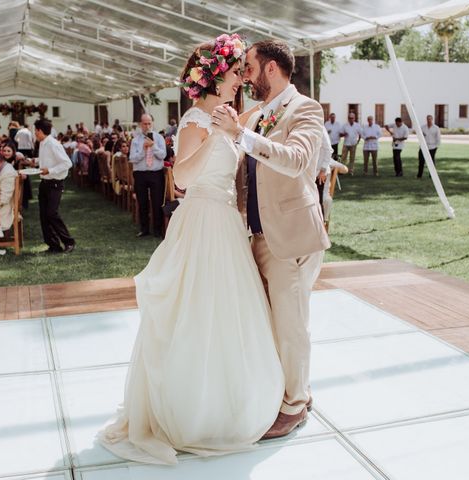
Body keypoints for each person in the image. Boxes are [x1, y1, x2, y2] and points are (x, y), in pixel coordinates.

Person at [99, 33, 284, 465]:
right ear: (216, 77)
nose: (242, 80)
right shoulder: (195, 121)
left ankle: (230, 401)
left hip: (226, 225)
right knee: (198, 313)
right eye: (237, 73)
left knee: (228, 314)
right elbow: (181, 177)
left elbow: (254, 118)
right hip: (200, 220)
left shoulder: (226, 116)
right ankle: (193, 411)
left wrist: (245, 119)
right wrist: (220, 136)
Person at [216, 38, 330, 440]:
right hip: (259, 237)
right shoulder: (260, 113)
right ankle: (293, 390)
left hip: (292, 238)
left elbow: (298, 160)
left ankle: (295, 405)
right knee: (273, 324)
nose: (244, 75)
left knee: (291, 325)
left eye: (248, 67)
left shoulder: (306, 109)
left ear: (270, 68)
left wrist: (243, 136)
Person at [35, 118, 75, 253]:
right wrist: (32, 162)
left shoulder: (53, 144)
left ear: (40, 131)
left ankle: (69, 242)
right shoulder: (43, 143)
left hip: (55, 184)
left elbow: (67, 163)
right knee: (44, 215)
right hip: (44, 183)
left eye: (35, 131)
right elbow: (46, 161)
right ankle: (53, 245)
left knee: (52, 214)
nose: (35, 133)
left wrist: (50, 171)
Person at [129, 113, 166, 238]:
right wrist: (144, 150)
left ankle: (157, 229)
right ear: (140, 124)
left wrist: (153, 146)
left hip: (156, 173)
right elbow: (132, 158)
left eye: (149, 123)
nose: (147, 126)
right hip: (140, 173)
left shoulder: (159, 138)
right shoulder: (135, 140)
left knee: (157, 202)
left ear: (152, 123)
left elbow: (162, 155)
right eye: (145, 123)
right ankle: (144, 229)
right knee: (142, 202)